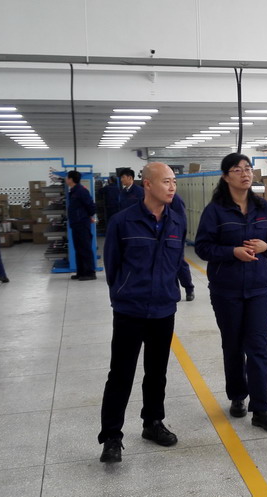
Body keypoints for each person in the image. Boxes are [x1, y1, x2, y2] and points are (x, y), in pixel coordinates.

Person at [98, 162, 186, 464]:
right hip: (130, 310)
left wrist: (174, 290)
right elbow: (112, 266)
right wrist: (123, 293)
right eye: (166, 181)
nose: (172, 187)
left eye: (174, 181)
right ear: (147, 184)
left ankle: (153, 422)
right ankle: (111, 436)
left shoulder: (176, 221)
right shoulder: (123, 222)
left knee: (157, 372)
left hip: (163, 309)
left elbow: (177, 262)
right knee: (120, 374)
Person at [195, 153, 267, 431]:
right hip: (227, 289)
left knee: (258, 346)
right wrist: (232, 252)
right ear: (225, 177)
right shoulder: (215, 211)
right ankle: (237, 395)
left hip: (259, 288)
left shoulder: (263, 207)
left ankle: (261, 408)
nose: (245, 174)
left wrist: (266, 247)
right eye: (237, 170)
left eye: (248, 169)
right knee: (233, 345)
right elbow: (203, 247)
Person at [65, 170, 97, 281]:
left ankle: (90, 273)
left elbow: (91, 206)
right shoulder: (73, 191)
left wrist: (88, 216)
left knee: (85, 248)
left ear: (71, 179)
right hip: (76, 224)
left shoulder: (81, 191)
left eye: (67, 177)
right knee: (78, 248)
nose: (66, 179)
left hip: (82, 223)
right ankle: (81, 272)